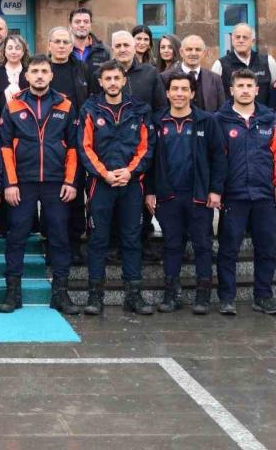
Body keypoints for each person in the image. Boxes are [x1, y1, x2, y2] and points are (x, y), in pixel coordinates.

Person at [0, 55, 80, 315]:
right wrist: (10, 183)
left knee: (59, 237)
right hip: (22, 182)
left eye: (44, 71)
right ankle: (12, 293)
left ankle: (61, 293)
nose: (39, 75)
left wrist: (71, 181)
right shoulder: (13, 104)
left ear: (51, 75)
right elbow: (4, 147)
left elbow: (74, 147)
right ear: (26, 75)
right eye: (34, 71)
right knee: (16, 236)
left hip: (56, 182)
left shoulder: (65, 104)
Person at [145, 72, 226, 315]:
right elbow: (149, 159)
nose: (179, 93)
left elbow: (219, 157)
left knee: (202, 245)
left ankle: (203, 296)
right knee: (172, 245)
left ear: (192, 93)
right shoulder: (157, 121)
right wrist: (150, 191)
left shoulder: (206, 121)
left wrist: (215, 190)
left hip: (198, 195)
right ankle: (171, 294)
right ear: (167, 93)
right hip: (168, 195)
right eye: (175, 89)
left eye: (184, 89)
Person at [78, 60, 155, 316]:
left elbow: (146, 147)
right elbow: (84, 147)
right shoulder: (90, 109)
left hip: (131, 185)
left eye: (116, 78)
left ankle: (133, 296)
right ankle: (95, 296)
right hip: (100, 185)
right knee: (98, 239)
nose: (112, 83)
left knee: (132, 239)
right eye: (107, 78)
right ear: (100, 82)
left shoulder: (140, 110)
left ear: (124, 80)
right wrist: (105, 174)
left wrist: (130, 172)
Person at [215, 69, 276, 316]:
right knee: (228, 249)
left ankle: (263, 297)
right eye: (240, 86)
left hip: (264, 195)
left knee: (267, 248)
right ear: (231, 90)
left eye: (249, 86)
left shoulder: (269, 119)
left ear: (257, 90)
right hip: (233, 196)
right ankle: (227, 298)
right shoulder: (220, 120)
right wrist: (216, 190)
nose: (245, 90)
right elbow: (216, 159)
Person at [110, 30, 165, 260]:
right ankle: (114, 244)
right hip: (111, 146)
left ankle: (142, 240)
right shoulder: (104, 72)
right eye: (118, 45)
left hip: (143, 144)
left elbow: (160, 107)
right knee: (113, 197)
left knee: (142, 196)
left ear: (135, 47)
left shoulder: (150, 73)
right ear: (112, 48)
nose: (123, 49)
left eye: (126, 45)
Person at [47, 26, 89, 264]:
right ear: (49, 45)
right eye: (57, 41)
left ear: (72, 46)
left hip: (75, 137)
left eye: (66, 42)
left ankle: (74, 244)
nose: (61, 46)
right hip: (47, 142)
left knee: (75, 192)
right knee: (51, 197)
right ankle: (51, 245)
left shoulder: (83, 69)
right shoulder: (41, 69)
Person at [0, 33, 30, 237]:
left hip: (26, 130)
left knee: (23, 174)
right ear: (4, 51)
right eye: (10, 48)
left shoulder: (29, 73)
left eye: (18, 48)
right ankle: (2, 224)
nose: (14, 51)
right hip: (1, 129)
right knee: (3, 172)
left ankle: (25, 224)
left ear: (24, 51)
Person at [211, 23, 276, 105]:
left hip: (263, 112)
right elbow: (213, 95)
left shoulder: (268, 62)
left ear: (253, 41)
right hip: (231, 113)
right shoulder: (220, 65)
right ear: (232, 40)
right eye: (237, 37)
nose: (241, 40)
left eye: (245, 37)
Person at [159, 35, 226, 113]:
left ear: (204, 53)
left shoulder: (215, 79)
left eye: (198, 50)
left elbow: (222, 110)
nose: (193, 53)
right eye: (189, 49)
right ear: (181, 52)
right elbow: (162, 110)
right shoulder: (165, 77)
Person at [69, 7, 111, 86]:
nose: (82, 25)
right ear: (70, 25)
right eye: (77, 22)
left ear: (90, 25)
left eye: (86, 22)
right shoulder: (63, 50)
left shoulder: (103, 51)